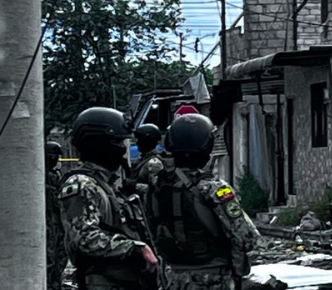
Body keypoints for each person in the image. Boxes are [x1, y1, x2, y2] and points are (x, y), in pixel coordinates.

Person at [149, 113, 260, 290]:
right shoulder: (214, 188)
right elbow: (247, 238)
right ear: (207, 146)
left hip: (171, 278)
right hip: (212, 279)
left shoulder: (157, 186)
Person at [59, 107, 160, 290]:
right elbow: (83, 237)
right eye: (118, 142)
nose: (122, 150)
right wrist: (133, 249)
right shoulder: (82, 184)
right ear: (98, 144)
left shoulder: (106, 184)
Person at [46, 140, 66, 289]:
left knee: (58, 257)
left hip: (55, 224)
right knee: (51, 258)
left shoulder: (53, 176)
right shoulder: (45, 178)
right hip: (49, 224)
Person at [131, 124, 165, 188]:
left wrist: (132, 185)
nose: (137, 142)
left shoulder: (154, 162)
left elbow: (155, 187)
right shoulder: (143, 158)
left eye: (139, 139)